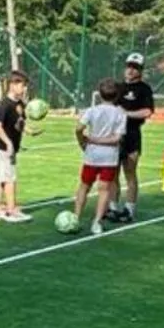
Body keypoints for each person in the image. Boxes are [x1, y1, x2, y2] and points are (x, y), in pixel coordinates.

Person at [73, 79, 128, 236]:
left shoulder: (92, 110)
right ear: (116, 95)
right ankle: (96, 222)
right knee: (104, 190)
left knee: (84, 186)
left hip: (92, 155)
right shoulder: (120, 113)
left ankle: (76, 217)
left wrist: (84, 142)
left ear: (99, 94)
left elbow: (78, 129)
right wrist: (96, 141)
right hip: (109, 158)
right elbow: (117, 138)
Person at [109, 52, 155, 223]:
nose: (130, 70)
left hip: (132, 136)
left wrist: (126, 114)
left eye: (134, 67)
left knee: (130, 173)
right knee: (112, 173)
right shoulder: (117, 87)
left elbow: (148, 111)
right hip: (115, 136)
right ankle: (112, 207)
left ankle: (129, 209)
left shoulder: (144, 89)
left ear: (140, 70)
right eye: (129, 66)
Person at [0, 71, 32, 222]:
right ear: (12, 85)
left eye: (25, 86)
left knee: (2, 176)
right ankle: (11, 210)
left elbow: (20, 122)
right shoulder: (5, 104)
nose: (24, 89)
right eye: (22, 85)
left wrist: (28, 131)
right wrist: (8, 143)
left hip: (12, 146)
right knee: (10, 178)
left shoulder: (20, 104)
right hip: (4, 147)